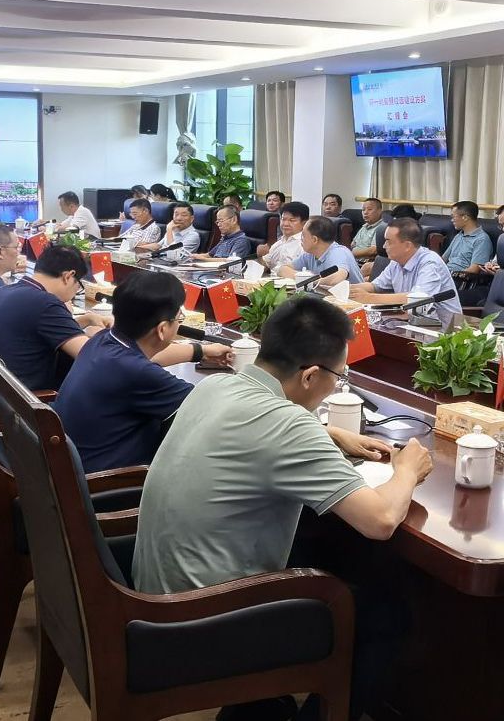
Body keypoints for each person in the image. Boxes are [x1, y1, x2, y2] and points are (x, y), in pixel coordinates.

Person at [132, 297, 434, 718]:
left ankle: (258, 707)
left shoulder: (217, 386)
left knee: (322, 554)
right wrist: (407, 469)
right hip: (204, 620)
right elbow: (381, 521)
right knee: (386, 616)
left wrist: (330, 433)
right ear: (311, 375)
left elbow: (266, 429)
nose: (337, 385)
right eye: (340, 377)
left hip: (155, 596)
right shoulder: (289, 425)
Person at [55, 271, 230, 472]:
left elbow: (149, 358)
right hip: (112, 483)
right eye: (179, 317)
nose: (179, 322)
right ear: (162, 329)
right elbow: (212, 406)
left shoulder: (102, 340)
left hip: (73, 466)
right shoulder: (137, 373)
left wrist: (202, 351)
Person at [0, 245, 112, 390]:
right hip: (23, 399)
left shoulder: (4, 291)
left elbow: (41, 328)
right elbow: (93, 357)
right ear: (68, 276)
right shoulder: (46, 303)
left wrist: (87, 319)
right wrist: (101, 335)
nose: (76, 291)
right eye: (79, 285)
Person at [348, 218, 462, 324]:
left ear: (407, 245)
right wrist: (347, 289)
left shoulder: (430, 263)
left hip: (444, 329)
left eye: (388, 241)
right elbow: (375, 286)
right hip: (411, 322)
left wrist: (368, 298)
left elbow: (417, 299)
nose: (384, 246)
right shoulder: (396, 262)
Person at [282, 215, 362, 286]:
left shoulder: (338, 253)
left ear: (314, 240)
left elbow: (337, 277)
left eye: (303, 235)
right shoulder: (310, 254)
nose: (301, 239)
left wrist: (308, 281)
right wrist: (302, 278)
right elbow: (283, 269)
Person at [442, 200, 493, 275]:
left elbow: (473, 270)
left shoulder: (482, 239)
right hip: (445, 274)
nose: (452, 220)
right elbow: (443, 260)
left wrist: (450, 275)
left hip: (460, 278)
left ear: (465, 218)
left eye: (453, 217)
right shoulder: (459, 235)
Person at [258, 200, 309, 269]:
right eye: (283, 219)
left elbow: (305, 272)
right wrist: (260, 256)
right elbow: (265, 267)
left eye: (292, 220)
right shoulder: (278, 244)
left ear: (304, 223)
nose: (285, 224)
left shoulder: (305, 245)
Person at [35, 191, 101, 238]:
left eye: (62, 206)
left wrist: (48, 229)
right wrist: (44, 223)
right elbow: (61, 225)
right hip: (84, 242)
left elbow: (72, 228)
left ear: (71, 206)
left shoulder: (82, 212)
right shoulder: (73, 215)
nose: (61, 209)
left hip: (92, 243)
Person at [351, 197, 387, 262]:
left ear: (379, 211)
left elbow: (373, 250)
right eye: (363, 210)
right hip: (353, 260)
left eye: (369, 209)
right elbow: (353, 244)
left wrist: (350, 254)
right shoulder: (365, 226)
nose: (365, 212)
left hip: (364, 263)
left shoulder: (382, 228)